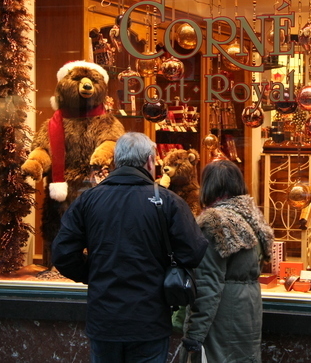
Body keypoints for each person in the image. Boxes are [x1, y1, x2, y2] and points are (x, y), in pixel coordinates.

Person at [52, 132, 208, 363]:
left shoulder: (88, 199)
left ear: (116, 161)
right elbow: (193, 252)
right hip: (150, 319)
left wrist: (92, 273)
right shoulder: (168, 201)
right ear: (150, 161)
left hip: (105, 318)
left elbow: (63, 253)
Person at [180, 159, 274, 363]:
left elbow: (207, 284)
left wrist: (194, 334)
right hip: (248, 311)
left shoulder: (214, 222)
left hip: (220, 318)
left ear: (208, 187)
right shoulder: (253, 219)